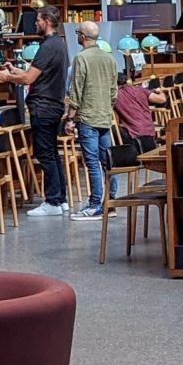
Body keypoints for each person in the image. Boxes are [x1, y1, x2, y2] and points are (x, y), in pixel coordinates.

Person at [12, 17, 71, 216]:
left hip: (43, 107)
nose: (34, 23)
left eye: (37, 20)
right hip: (54, 105)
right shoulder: (60, 44)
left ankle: (53, 201)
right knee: (53, 154)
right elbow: (38, 74)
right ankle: (61, 199)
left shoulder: (46, 47)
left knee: (45, 154)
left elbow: (29, 78)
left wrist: (9, 77)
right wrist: (17, 72)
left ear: (47, 21)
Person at [66, 18, 120, 218]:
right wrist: (106, 107)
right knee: (108, 162)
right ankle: (111, 202)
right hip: (105, 117)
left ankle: (95, 205)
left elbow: (76, 90)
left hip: (88, 118)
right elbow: (114, 92)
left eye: (77, 33)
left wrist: (70, 118)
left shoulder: (82, 58)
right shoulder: (110, 59)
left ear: (82, 36)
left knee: (92, 163)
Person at [111, 55, 158, 167]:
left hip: (134, 132)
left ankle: (122, 157)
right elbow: (162, 99)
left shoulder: (115, 96)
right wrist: (160, 91)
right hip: (149, 128)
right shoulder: (140, 90)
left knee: (113, 129)